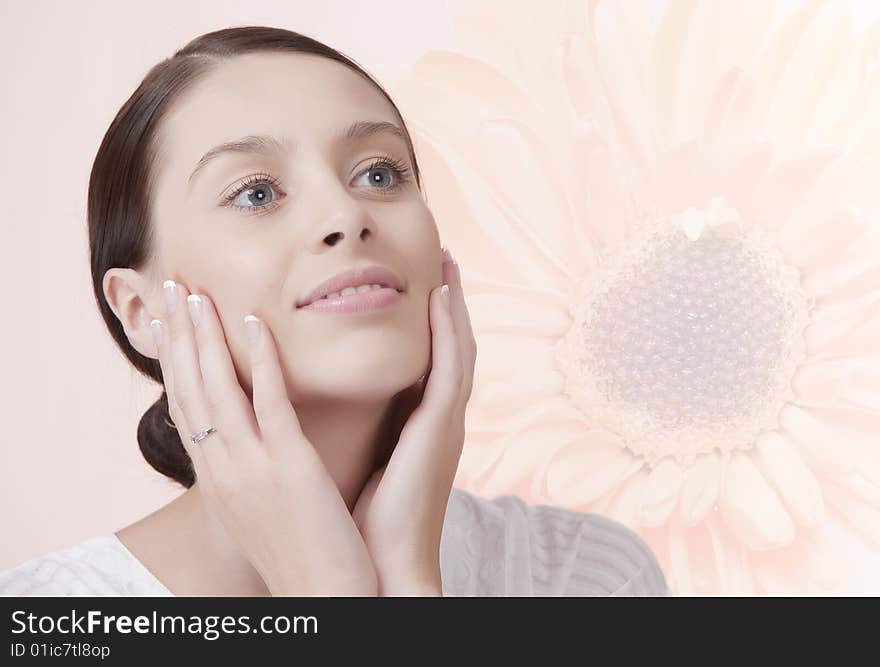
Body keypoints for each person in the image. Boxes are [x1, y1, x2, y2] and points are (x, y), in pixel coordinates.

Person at [0, 26, 669, 597]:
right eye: (256, 191)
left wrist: (406, 582)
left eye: (379, 174)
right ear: (143, 308)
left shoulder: (583, 577)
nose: (345, 215)